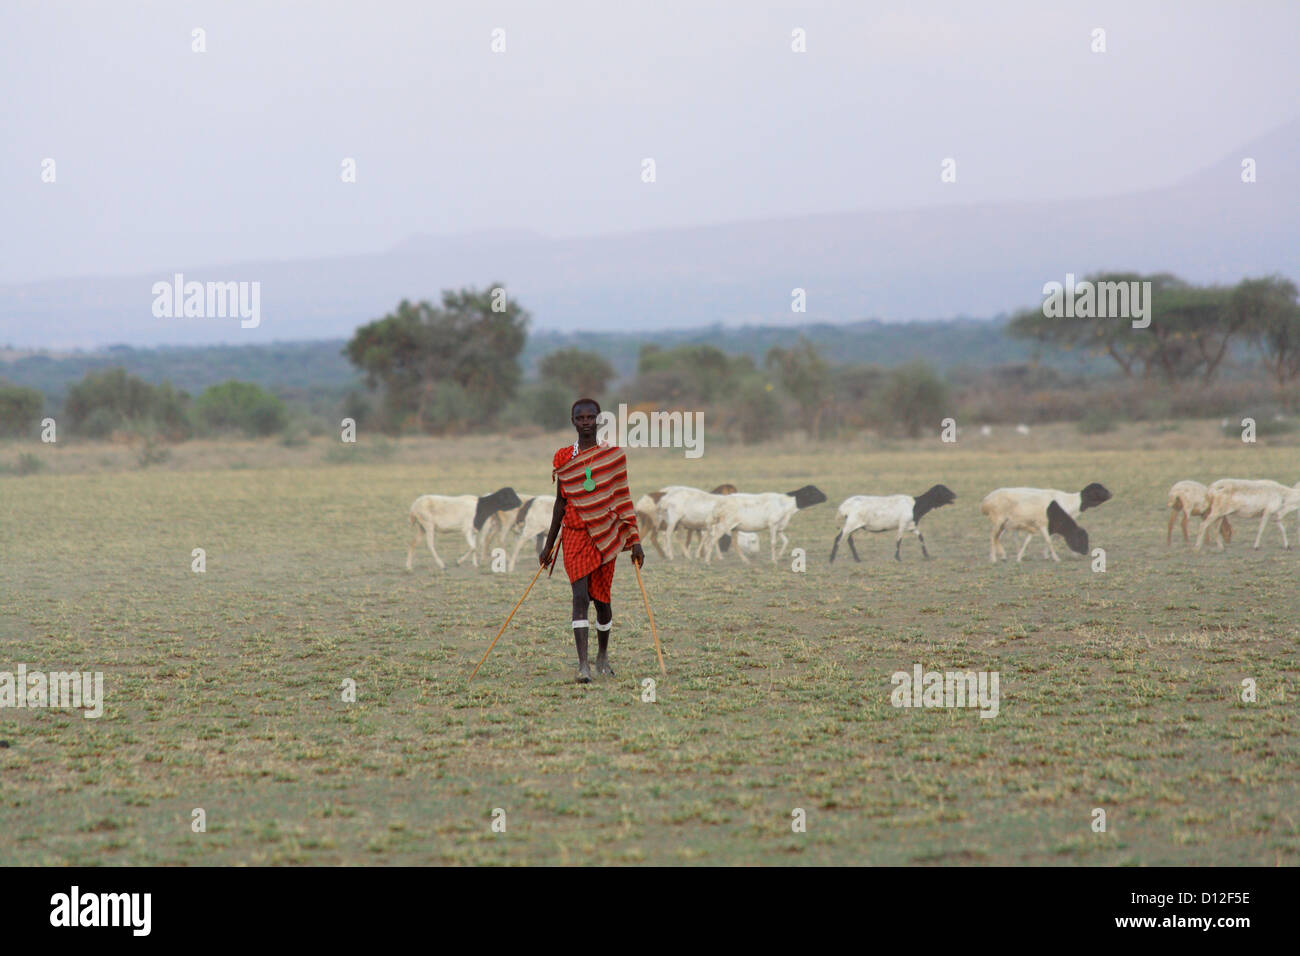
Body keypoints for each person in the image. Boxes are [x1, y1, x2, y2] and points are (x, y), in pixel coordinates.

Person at [541, 398, 644, 683]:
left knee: (602, 601)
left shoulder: (613, 457)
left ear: (599, 419)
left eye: (591, 417)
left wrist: (635, 540)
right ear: (573, 421)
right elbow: (560, 503)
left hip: (606, 537)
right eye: (580, 418)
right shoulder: (564, 458)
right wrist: (549, 545)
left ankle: (602, 656)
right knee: (579, 597)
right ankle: (583, 666)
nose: (586, 422)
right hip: (574, 535)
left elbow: (623, 498)